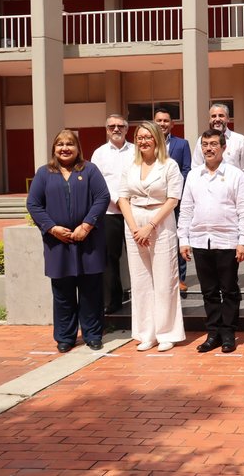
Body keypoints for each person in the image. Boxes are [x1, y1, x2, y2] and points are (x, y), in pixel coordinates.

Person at [27, 130, 110, 353]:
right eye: (60, 144)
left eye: (70, 144)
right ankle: (65, 337)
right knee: (62, 294)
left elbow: (102, 197)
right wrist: (52, 228)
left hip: (88, 241)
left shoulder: (89, 170)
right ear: (54, 148)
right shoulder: (44, 173)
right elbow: (33, 204)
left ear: (77, 148)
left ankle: (93, 334)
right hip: (58, 243)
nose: (65, 148)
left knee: (91, 291)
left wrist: (87, 225)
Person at [178, 129, 244, 354]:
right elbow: (186, 209)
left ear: (223, 147)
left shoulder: (235, 174)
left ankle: (228, 333)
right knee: (209, 291)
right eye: (205, 144)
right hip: (200, 241)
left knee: (229, 290)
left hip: (227, 241)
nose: (209, 148)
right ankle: (213, 333)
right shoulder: (194, 175)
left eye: (213, 144)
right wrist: (183, 240)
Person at [118, 121, 185, 352]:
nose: (143, 141)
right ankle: (146, 333)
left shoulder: (169, 165)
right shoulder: (130, 166)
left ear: (156, 139)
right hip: (134, 223)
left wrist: (150, 226)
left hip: (161, 222)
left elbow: (173, 199)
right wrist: (135, 228)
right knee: (141, 282)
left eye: (148, 137)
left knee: (165, 280)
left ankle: (167, 332)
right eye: (139, 137)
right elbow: (122, 198)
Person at [90, 114, 135, 314]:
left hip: (135, 211)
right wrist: (117, 200)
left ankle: (141, 299)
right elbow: (98, 182)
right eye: (112, 126)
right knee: (110, 258)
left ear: (126, 128)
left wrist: (128, 201)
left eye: (120, 126)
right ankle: (113, 301)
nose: (116, 129)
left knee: (138, 256)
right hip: (110, 212)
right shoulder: (99, 154)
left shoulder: (136, 150)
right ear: (107, 130)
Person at [153, 107, 192, 298]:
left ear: (172, 124)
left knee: (177, 238)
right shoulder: (147, 143)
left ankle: (180, 279)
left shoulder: (182, 144)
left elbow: (186, 170)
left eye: (166, 121)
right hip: (154, 201)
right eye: (159, 120)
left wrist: (175, 193)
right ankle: (159, 279)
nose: (162, 124)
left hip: (175, 200)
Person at [191, 103, 244, 170]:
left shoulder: (240, 140)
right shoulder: (202, 140)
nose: (217, 119)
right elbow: (196, 167)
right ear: (209, 120)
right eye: (213, 116)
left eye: (221, 116)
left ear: (228, 119)